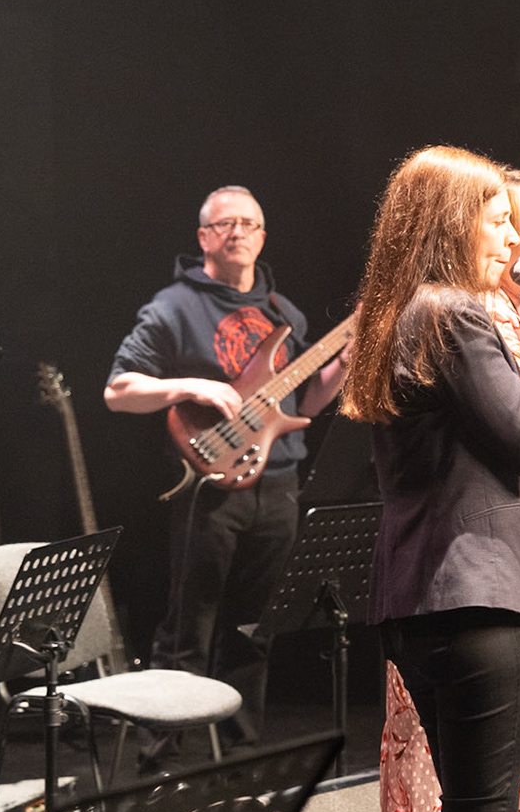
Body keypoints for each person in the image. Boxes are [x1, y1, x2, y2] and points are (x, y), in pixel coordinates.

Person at [343, 146, 520, 812]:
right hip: (479, 601)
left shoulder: (400, 315)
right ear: (453, 224)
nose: (511, 240)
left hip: (423, 602)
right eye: (497, 221)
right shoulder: (451, 313)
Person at [104, 185, 346, 760]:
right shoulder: (173, 307)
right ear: (203, 238)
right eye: (223, 224)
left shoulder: (284, 313)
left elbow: (307, 404)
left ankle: (241, 757)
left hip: (279, 484)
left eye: (248, 224)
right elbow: (118, 391)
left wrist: (344, 362)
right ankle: (162, 757)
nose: (237, 232)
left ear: (263, 237)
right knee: (188, 628)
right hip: (209, 488)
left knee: (253, 630)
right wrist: (191, 386)